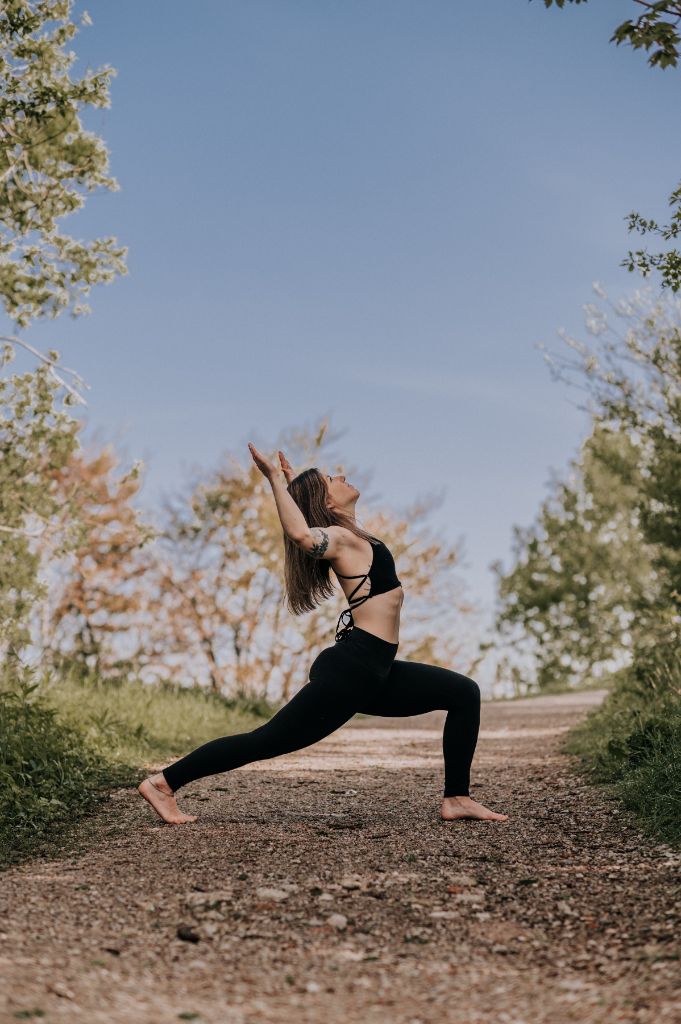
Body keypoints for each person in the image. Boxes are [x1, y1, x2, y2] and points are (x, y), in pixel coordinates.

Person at [138, 444, 508, 825]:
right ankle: (164, 784)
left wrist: (300, 485)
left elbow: (308, 514)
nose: (341, 475)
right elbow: (300, 534)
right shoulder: (340, 538)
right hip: (353, 670)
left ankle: (457, 798)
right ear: (326, 503)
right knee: (266, 740)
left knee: (464, 693)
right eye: (332, 479)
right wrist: (277, 482)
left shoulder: (352, 535)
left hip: (373, 668)